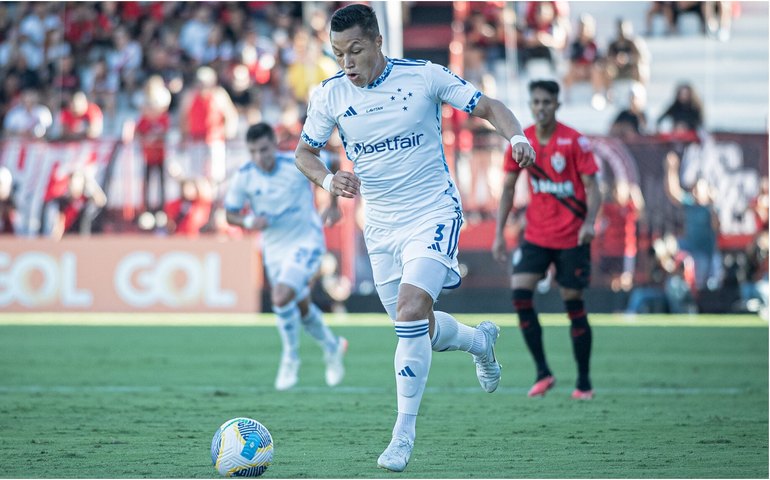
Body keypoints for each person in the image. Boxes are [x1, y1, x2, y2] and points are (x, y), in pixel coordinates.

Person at [295, 4, 535, 472]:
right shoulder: (329, 95)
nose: (347, 62)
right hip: (380, 227)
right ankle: (479, 343)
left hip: (432, 213)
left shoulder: (424, 76)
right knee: (417, 327)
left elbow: (488, 106)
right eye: (338, 53)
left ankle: (401, 436)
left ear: (378, 41)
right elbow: (305, 153)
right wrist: (327, 180)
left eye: (355, 50)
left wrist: (518, 137)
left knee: (409, 311)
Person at [492, 80, 601, 401]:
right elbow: (508, 188)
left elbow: (594, 188)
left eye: (547, 102)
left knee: (573, 304)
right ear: (531, 105)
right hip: (537, 235)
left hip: (571, 236)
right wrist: (499, 233)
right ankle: (543, 372)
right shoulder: (521, 141)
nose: (541, 108)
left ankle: (583, 383)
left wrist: (590, 223)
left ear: (557, 105)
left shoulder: (574, 142)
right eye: (536, 102)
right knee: (520, 295)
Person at [226, 122, 347, 392]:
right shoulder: (244, 176)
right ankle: (332, 346)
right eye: (253, 151)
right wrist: (248, 221)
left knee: (280, 296)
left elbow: (334, 160)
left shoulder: (296, 164)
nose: (259, 157)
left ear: (274, 145)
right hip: (274, 249)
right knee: (300, 305)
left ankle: (290, 358)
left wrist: (333, 204)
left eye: (264, 150)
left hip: (306, 241)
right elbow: (230, 214)